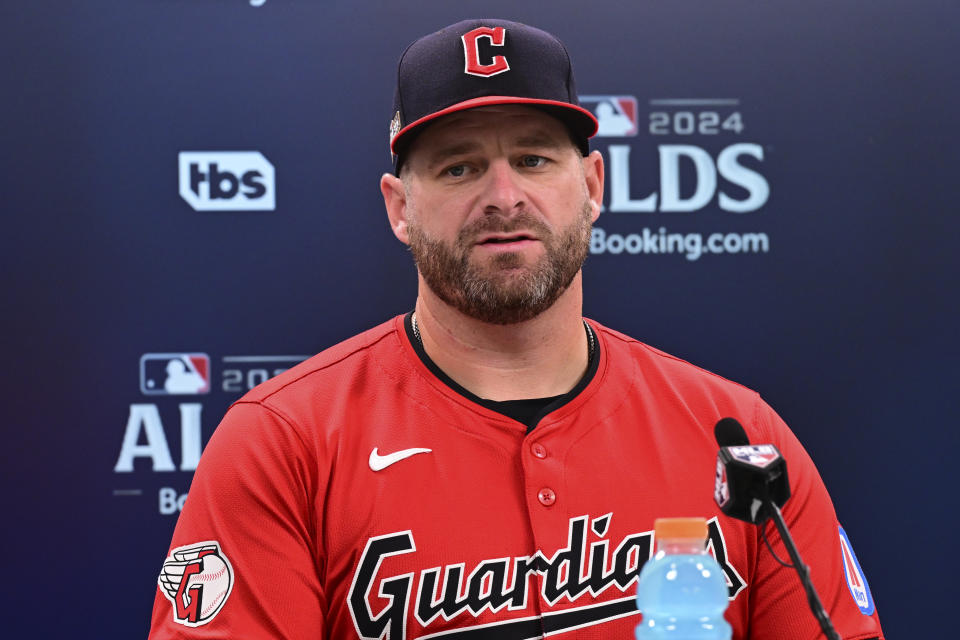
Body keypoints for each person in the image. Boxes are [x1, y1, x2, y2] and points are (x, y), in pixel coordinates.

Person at [148, 19, 885, 640]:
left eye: (533, 159)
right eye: (459, 169)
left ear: (592, 186)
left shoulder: (736, 435)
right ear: (400, 207)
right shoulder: (284, 443)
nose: (504, 197)